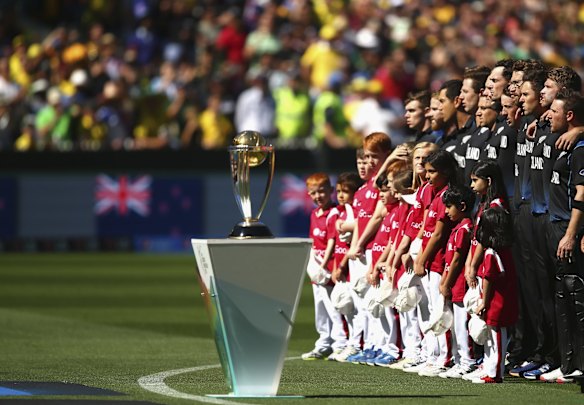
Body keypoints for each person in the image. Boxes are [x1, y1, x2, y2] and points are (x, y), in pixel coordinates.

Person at [338, 132, 393, 364]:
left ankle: (386, 346)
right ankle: (371, 344)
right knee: (365, 302)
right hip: (364, 250)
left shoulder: (379, 186)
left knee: (382, 300)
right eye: (364, 158)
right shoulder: (361, 191)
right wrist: (356, 243)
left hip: (378, 248)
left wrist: (357, 243)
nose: (368, 162)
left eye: (372, 157)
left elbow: (378, 218)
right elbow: (363, 221)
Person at [544, 89, 584, 383]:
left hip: (568, 229)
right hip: (556, 226)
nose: (549, 115)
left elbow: (582, 194)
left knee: (576, 298)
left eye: (554, 112)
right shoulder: (565, 144)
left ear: (569, 115)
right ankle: (568, 364)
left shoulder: (580, 147)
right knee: (563, 298)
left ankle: (579, 363)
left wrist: (571, 234)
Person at [411, 150, 460, 377]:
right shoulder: (433, 191)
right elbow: (427, 227)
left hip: (440, 259)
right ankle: (435, 355)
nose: (427, 175)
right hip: (431, 258)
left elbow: (438, 234)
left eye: (432, 171)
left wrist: (421, 259)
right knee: (432, 309)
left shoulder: (446, 195)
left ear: (446, 172)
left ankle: (447, 357)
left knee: (441, 310)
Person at [470, 206, 518, 384]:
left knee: (496, 336)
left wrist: (483, 302)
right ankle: (490, 368)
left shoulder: (492, 253)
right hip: (499, 299)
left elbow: (489, 279)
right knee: (491, 336)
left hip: (497, 301)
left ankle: (496, 372)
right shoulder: (503, 250)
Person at [302, 173, 347, 360]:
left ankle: (340, 343)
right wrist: (312, 263)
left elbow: (331, 241)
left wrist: (323, 266)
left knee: (333, 306)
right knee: (320, 306)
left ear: (330, 191)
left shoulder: (334, 213)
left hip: (329, 268)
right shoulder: (314, 213)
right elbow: (314, 241)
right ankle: (324, 342)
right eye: (313, 193)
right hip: (318, 269)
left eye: (321, 191)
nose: (318, 196)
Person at [438, 183, 476, 379]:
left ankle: (468, 361)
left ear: (461, 206)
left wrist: (446, 283)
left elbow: (457, 260)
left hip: (460, 285)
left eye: (449, 207)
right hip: (454, 285)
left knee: (462, 325)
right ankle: (460, 360)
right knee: (455, 325)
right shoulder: (456, 228)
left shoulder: (465, 228)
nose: (445, 211)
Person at [327, 171, 363, 361]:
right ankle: (351, 342)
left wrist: (341, 265)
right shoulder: (339, 212)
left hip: (353, 265)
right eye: (339, 191)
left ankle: (357, 344)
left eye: (346, 191)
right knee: (346, 307)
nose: (341, 195)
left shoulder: (355, 212)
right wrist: (336, 266)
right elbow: (337, 244)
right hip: (343, 266)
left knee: (357, 308)